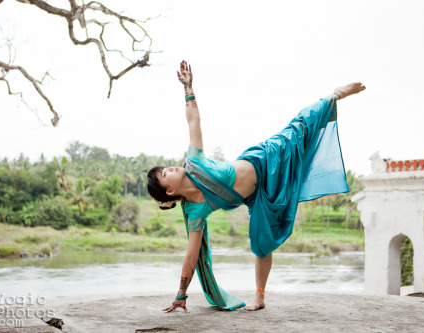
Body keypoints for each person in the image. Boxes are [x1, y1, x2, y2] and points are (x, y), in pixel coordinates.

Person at [147, 60, 366, 313]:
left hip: (266, 159)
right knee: (262, 243)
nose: (170, 168)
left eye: (166, 167)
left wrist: (188, 88)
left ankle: (335, 94)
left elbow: (193, 119)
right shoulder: (195, 211)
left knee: (300, 127)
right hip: (259, 197)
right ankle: (260, 296)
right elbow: (191, 256)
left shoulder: (194, 162)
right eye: (165, 174)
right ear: (170, 192)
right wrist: (181, 294)